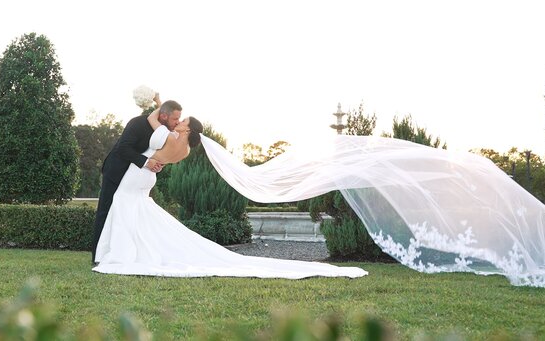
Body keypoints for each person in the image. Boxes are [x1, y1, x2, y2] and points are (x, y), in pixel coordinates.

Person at [93, 98, 368, 279]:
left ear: (187, 129)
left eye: (182, 121)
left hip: (139, 173)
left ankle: (116, 252)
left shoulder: (171, 136)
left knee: (126, 208)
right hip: (146, 176)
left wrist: (155, 103)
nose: (179, 122)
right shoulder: (185, 148)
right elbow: (161, 134)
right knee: (137, 212)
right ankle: (123, 249)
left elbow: (155, 121)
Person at [91, 94, 181, 265]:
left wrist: (158, 164)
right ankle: (97, 256)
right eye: (176, 118)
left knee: (129, 214)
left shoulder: (163, 130)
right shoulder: (137, 124)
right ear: (163, 116)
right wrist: (147, 163)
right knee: (106, 210)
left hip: (136, 177)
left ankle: (125, 251)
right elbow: (123, 149)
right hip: (116, 171)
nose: (177, 121)